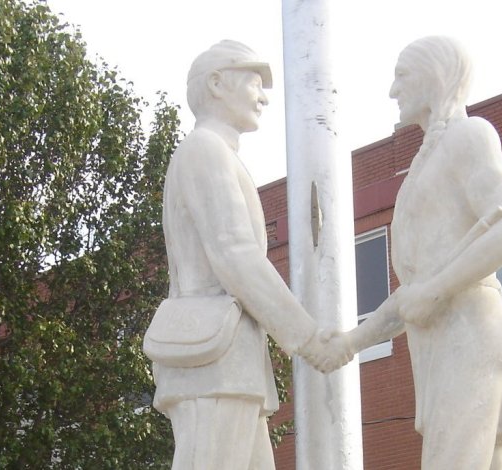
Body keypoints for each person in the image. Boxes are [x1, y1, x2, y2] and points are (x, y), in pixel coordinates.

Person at [148, 40, 348, 469]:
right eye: (254, 83)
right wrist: (307, 338)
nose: (263, 96)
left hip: (230, 368)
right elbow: (234, 253)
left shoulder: (219, 154)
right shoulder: (205, 149)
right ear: (217, 84)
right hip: (213, 365)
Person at [335, 36, 502, 469]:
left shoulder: (469, 135)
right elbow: (414, 296)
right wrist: (351, 342)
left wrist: (437, 290)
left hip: (471, 340)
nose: (393, 91)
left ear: (434, 76)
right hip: (455, 341)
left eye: (402, 76)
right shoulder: (435, 153)